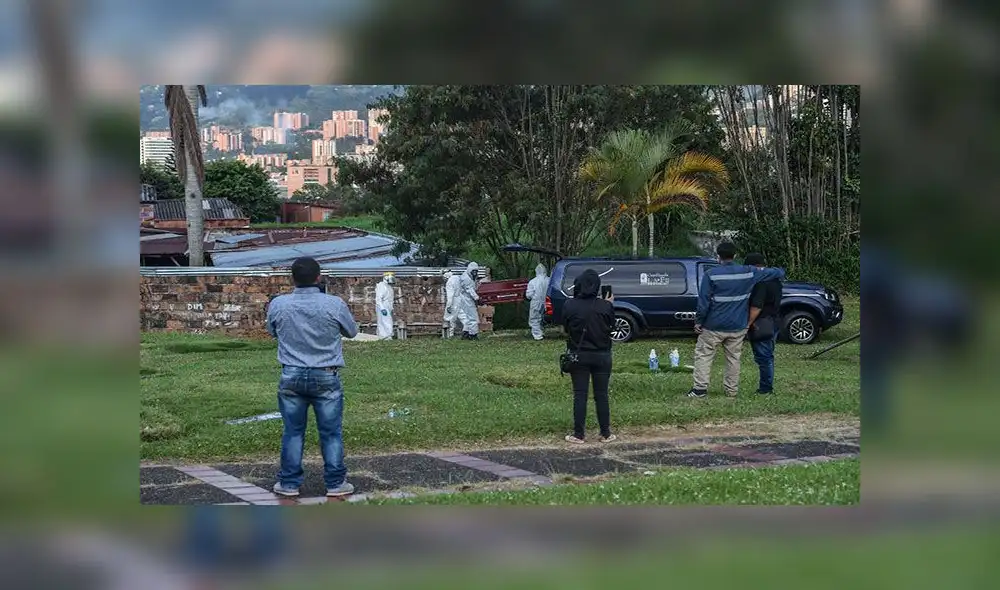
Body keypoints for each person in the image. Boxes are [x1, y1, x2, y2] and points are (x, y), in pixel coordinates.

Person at [265, 256, 359, 498]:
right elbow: (352, 331)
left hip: (292, 372)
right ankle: (336, 483)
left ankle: (289, 483)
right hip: (326, 374)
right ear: (319, 277)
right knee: (330, 432)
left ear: (292, 279)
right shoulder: (334, 304)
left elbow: (273, 331)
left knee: (293, 431)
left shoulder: (278, 304)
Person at [688, 242, 785, 398]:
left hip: (713, 325)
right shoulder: (749, 272)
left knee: (704, 355)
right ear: (735, 256)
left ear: (718, 256)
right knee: (733, 359)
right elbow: (778, 273)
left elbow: (704, 302)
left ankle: (700, 389)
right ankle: (731, 391)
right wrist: (766, 269)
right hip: (737, 326)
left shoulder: (711, 274)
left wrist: (699, 321)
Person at [562, 269, 617, 444]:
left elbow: (565, 328)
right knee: (601, 394)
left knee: (580, 394)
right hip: (602, 355)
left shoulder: (569, 305)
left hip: (579, 356)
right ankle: (605, 433)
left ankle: (579, 434)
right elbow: (612, 327)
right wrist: (608, 304)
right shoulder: (605, 306)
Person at [745, 253, 783, 394]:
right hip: (774, 320)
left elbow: (757, 306)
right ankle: (767, 385)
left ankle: (765, 388)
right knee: (769, 355)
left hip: (761, 322)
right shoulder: (776, 280)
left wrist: (748, 323)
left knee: (763, 357)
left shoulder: (761, 283)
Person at [457, 261, 482, 340]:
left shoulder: (470, 276)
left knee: (469, 317)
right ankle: (473, 335)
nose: (475, 273)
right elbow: (470, 290)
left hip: (467, 298)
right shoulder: (466, 278)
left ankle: (466, 333)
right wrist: (477, 298)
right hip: (466, 299)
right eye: (473, 271)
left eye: (476, 271)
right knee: (473, 317)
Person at [525, 263, 549, 341]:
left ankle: (537, 335)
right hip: (547, 302)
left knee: (534, 318)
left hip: (536, 302)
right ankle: (542, 332)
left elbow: (529, 295)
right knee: (543, 318)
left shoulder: (532, 282)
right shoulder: (550, 280)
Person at [375, 272, 395, 340]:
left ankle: (385, 336)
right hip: (383, 305)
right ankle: (386, 337)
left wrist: (391, 308)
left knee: (386, 321)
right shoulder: (381, 286)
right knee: (386, 321)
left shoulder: (388, 286)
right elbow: (378, 299)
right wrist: (382, 308)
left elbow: (390, 298)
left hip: (387, 306)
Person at [442, 269, 462, 338]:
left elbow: (450, 296)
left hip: (454, 301)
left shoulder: (449, 282)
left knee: (449, 317)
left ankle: (450, 334)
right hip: (461, 299)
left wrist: (448, 306)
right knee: (461, 317)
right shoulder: (458, 278)